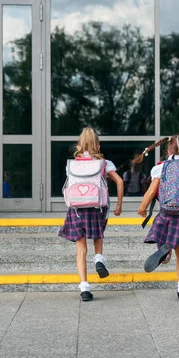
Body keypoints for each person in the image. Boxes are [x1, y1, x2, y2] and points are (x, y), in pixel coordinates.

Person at [136, 135, 179, 302]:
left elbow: (152, 191)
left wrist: (142, 207)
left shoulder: (162, 167)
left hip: (167, 212)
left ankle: (165, 251)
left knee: (164, 240)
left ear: (168, 151)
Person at [59, 127, 124, 301]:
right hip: (97, 208)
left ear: (80, 144)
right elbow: (119, 181)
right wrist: (119, 204)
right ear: (97, 144)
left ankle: (85, 289)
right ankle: (98, 258)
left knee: (81, 249)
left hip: (77, 210)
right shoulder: (104, 163)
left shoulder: (72, 164)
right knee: (98, 234)